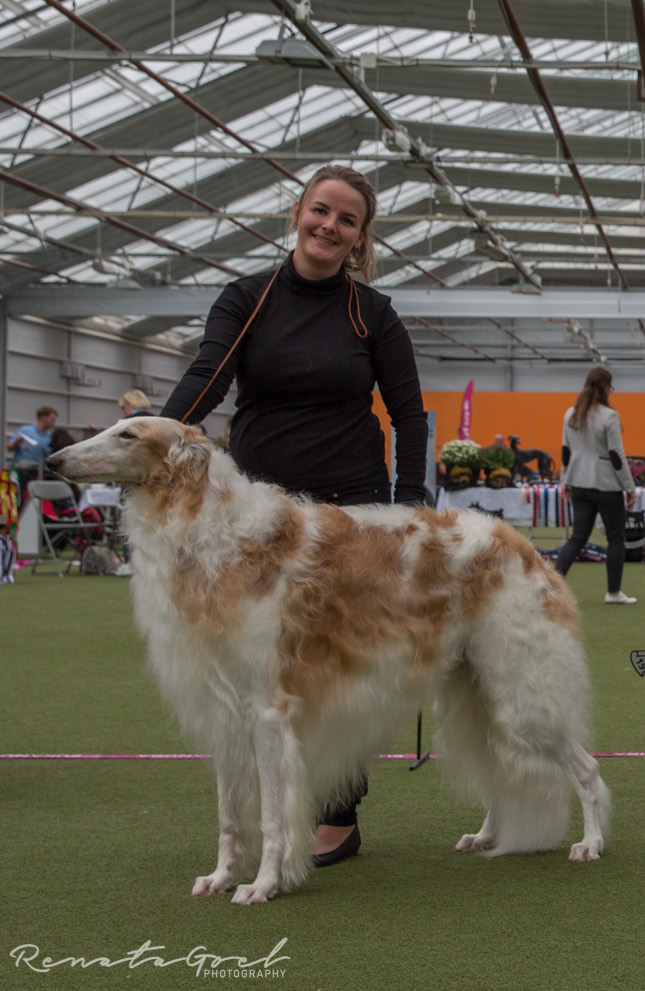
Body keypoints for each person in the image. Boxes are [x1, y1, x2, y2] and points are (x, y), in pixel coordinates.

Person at [160, 163, 427, 869]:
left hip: (350, 516)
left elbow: (408, 415)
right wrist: (153, 436)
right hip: (257, 517)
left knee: (338, 665)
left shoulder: (374, 314)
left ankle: (338, 812)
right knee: (259, 665)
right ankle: (265, 806)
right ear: (297, 212)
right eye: (320, 211)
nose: (328, 227)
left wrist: (408, 507)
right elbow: (209, 378)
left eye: (346, 220)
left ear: (360, 238)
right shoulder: (246, 298)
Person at [555, 367, 638, 605]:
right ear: (606, 388)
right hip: (606, 485)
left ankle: (551, 587)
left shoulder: (570, 414)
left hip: (579, 484)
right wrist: (629, 486)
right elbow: (616, 454)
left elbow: (565, 452)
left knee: (577, 537)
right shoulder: (609, 416)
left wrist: (566, 481)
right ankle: (613, 593)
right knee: (615, 538)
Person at [8, 406, 57, 479]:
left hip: (37, 474)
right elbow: (9, 447)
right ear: (43, 418)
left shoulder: (49, 437)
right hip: (21, 470)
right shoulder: (25, 430)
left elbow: (48, 456)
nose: (54, 423)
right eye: (52, 420)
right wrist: (16, 443)